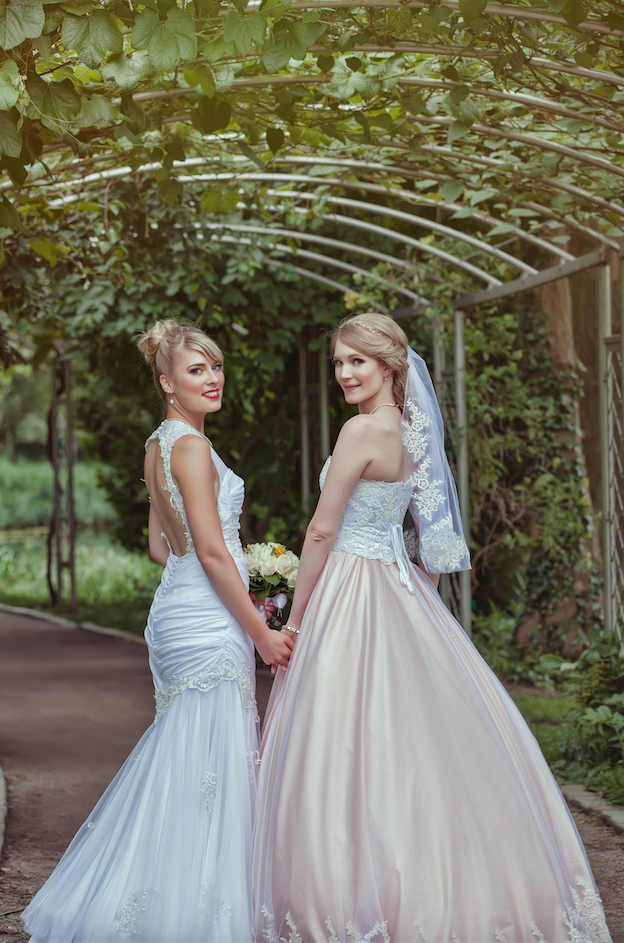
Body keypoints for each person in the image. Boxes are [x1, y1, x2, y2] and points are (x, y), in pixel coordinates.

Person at [253, 312, 611, 943]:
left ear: (389, 364)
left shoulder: (360, 431)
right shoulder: (414, 436)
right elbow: (434, 538)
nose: (344, 373)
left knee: (343, 736)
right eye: (338, 362)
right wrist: (423, 596)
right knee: (419, 737)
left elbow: (321, 530)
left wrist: (295, 618)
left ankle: (343, 900)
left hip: (347, 587)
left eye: (356, 361)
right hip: (396, 588)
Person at [22, 319, 293, 943]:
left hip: (175, 610)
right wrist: (258, 627)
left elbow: (159, 547)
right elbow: (210, 550)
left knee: (188, 755)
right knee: (208, 758)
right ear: (168, 383)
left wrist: (229, 576)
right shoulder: (192, 447)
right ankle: (194, 914)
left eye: (216, 366)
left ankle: (169, 900)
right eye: (197, 370)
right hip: (207, 620)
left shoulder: (159, 443)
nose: (214, 378)